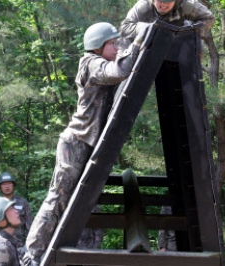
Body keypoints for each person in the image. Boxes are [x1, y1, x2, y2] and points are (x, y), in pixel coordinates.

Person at [25, 22, 147, 265]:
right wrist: (138, 41)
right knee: (57, 200)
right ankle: (32, 254)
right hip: (75, 143)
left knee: (67, 201)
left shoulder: (99, 61)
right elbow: (119, 71)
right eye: (112, 44)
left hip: (83, 143)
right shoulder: (90, 63)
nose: (117, 47)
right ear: (98, 47)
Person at [119, 0, 215, 44]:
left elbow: (209, 18)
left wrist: (189, 33)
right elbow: (125, 28)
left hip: (177, 43)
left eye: (168, 0)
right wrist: (147, 29)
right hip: (146, 44)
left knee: (198, 46)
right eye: (160, 0)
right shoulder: (143, 6)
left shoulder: (186, 5)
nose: (164, 4)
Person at [0, 172, 33, 248]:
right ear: (0, 187)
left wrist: (28, 247)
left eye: (9, 183)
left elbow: (30, 228)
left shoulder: (23, 203)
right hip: (1, 248)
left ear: (13, 185)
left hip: (19, 247)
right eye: (4, 184)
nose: (7, 186)